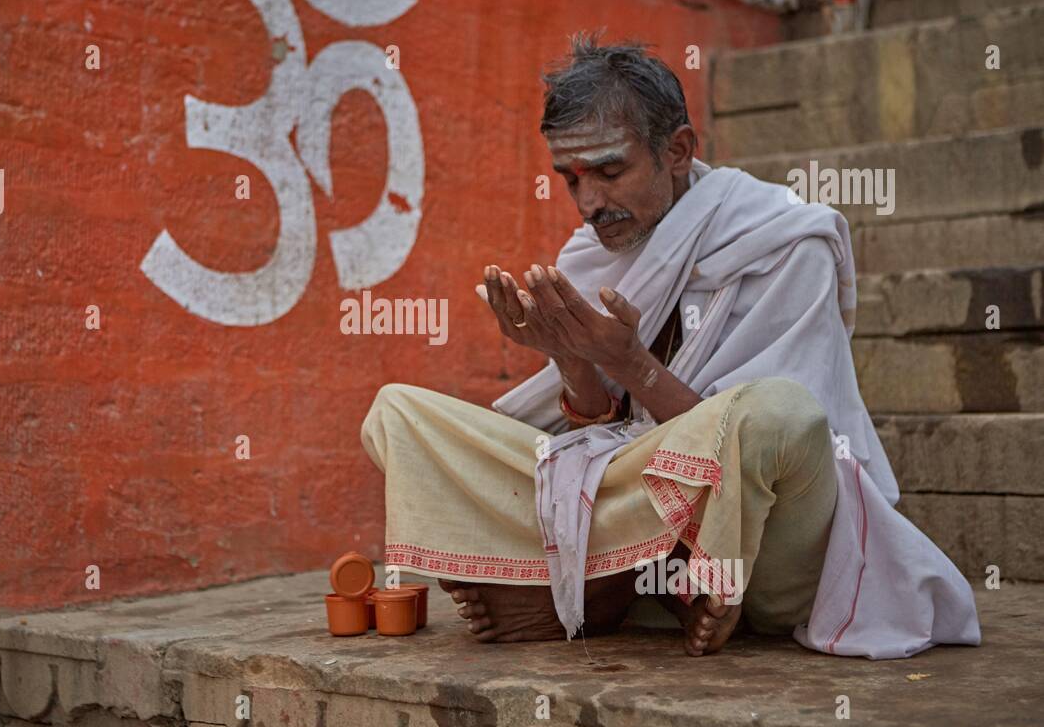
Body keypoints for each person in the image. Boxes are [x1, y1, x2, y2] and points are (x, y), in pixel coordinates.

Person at [360, 35, 980, 658]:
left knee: (776, 415)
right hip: (646, 521)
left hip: (773, 552)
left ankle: (606, 585)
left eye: (609, 171)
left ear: (678, 150)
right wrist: (576, 362)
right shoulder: (592, 258)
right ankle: (622, 589)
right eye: (571, 179)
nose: (589, 203)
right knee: (397, 416)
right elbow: (604, 436)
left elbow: (781, 445)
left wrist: (631, 363)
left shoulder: (788, 242)